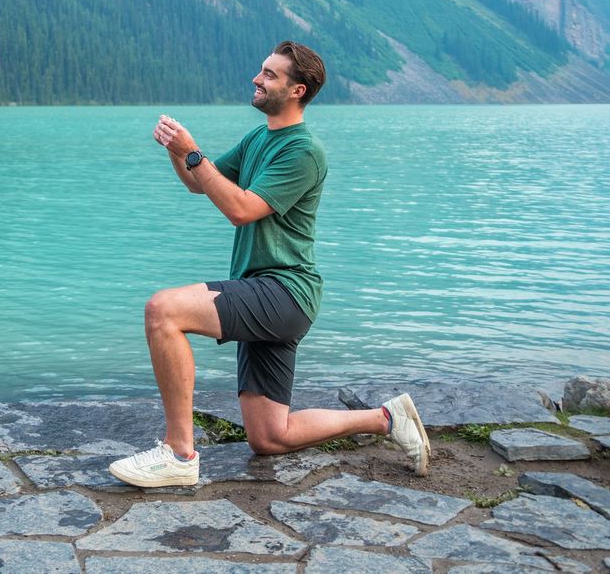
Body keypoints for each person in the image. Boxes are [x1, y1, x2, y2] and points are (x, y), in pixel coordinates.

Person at [109, 41, 430, 488]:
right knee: (269, 437)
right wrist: (176, 151)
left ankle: (179, 454)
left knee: (163, 311)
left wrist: (195, 152)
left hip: (284, 291)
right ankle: (385, 419)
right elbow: (201, 185)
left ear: (297, 90)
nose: (257, 79)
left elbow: (241, 209)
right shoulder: (260, 138)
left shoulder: (304, 151)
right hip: (266, 292)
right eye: (261, 70)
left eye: (270, 75)